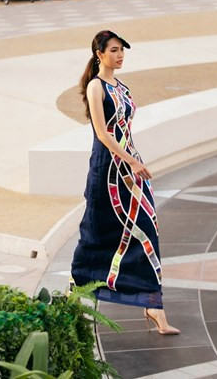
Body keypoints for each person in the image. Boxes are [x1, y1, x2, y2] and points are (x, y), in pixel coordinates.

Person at [71, 30, 178, 337]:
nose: (120, 55)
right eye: (115, 50)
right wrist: (131, 161)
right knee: (96, 231)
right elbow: (102, 133)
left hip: (130, 167)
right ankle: (79, 292)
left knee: (146, 228)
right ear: (99, 54)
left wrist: (133, 161)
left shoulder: (121, 86)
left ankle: (153, 304)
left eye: (122, 51)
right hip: (108, 170)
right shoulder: (96, 87)